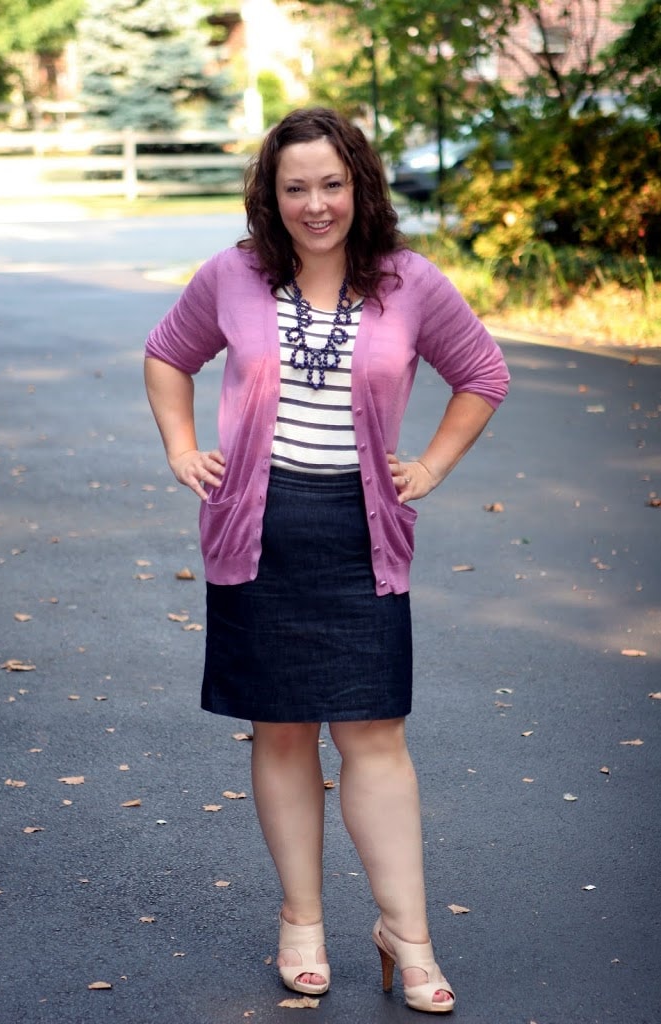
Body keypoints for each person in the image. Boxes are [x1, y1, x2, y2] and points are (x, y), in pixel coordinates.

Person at [144, 106, 509, 1013]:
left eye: (332, 184)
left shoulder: (409, 282)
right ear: (271, 195)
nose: (316, 204)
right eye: (295, 186)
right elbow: (166, 356)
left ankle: (406, 936)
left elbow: (483, 374)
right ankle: (301, 923)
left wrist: (427, 464)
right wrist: (181, 446)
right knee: (279, 730)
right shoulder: (231, 277)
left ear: (360, 186)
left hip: (359, 535)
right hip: (256, 531)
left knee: (375, 733)